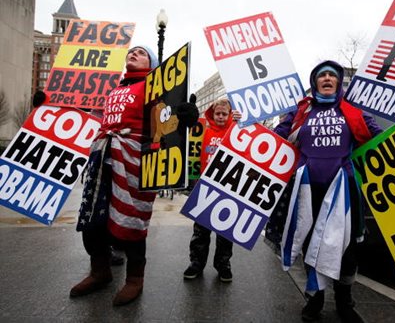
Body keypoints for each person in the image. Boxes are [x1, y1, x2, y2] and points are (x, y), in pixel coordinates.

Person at [32, 45, 199, 306]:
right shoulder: (113, 91)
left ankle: (134, 279)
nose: (133, 53)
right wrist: (47, 108)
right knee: (92, 220)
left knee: (131, 221)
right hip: (102, 158)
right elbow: (88, 117)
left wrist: (185, 116)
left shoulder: (154, 88)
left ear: (152, 64)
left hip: (134, 162)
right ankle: (100, 272)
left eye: (141, 53)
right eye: (131, 51)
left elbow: (166, 121)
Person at [272, 60, 395, 322]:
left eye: (332, 75)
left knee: (347, 249)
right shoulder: (301, 112)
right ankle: (314, 300)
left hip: (344, 190)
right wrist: (241, 125)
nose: (327, 78)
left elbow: (385, 140)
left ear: (338, 82)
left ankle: (344, 301)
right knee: (311, 245)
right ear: (315, 83)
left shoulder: (353, 111)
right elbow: (272, 140)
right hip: (307, 191)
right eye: (322, 75)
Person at [183, 98, 241, 282]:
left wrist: (242, 123)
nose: (221, 117)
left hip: (227, 188)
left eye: (225, 114)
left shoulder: (236, 130)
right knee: (200, 232)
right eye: (218, 114)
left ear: (230, 114)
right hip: (204, 186)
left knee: (224, 233)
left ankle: (223, 265)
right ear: (212, 115)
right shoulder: (204, 131)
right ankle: (196, 263)